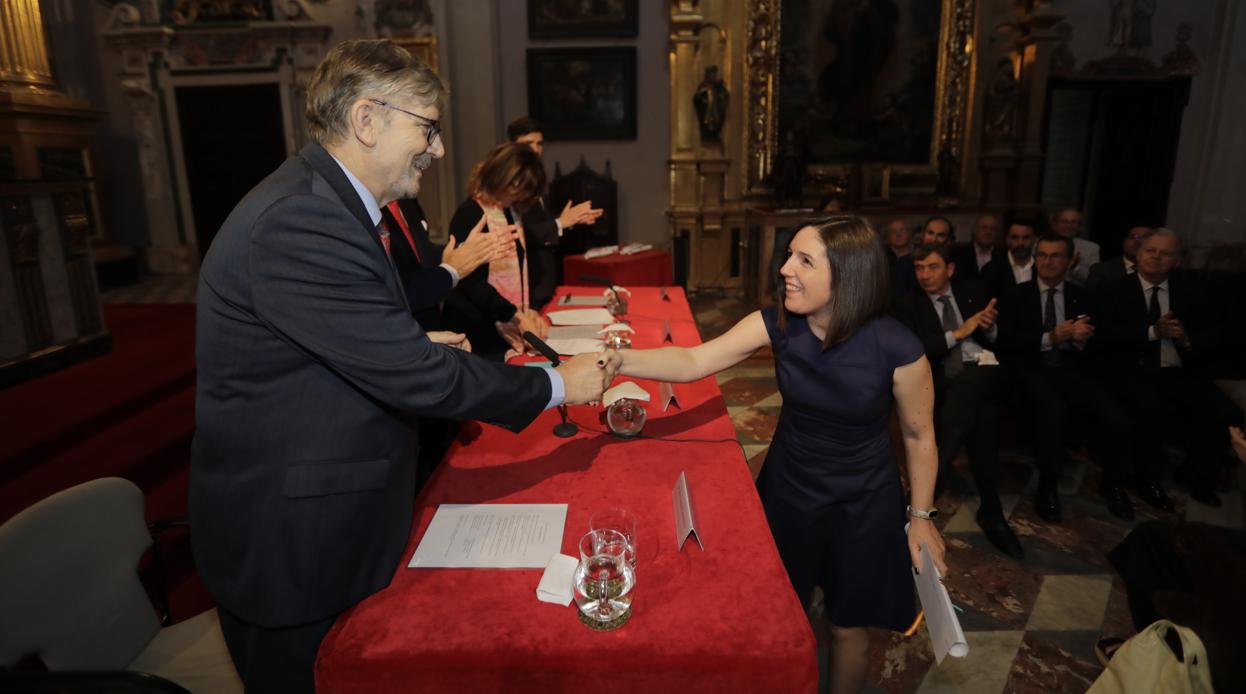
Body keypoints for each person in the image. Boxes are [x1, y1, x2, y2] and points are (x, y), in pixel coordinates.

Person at [191, 40, 612, 692]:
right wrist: (561, 383)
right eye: (427, 127)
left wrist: (409, 347)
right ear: (367, 120)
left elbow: (351, 340)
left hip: (333, 512)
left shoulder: (327, 206)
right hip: (294, 541)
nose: (438, 149)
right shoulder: (301, 220)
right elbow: (413, 374)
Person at [603, 215, 945, 694]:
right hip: (790, 489)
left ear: (847, 274)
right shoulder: (778, 324)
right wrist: (615, 361)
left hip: (863, 501)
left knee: (849, 626)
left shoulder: (898, 347)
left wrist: (923, 516)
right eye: (789, 255)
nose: (786, 268)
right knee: (779, 610)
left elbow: (918, 436)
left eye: (804, 260)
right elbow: (694, 360)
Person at [995, 234, 1168, 523]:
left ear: (1071, 260)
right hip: (1031, 370)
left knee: (1116, 416)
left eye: (1056, 256)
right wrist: (1052, 337)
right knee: (1052, 410)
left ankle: (1113, 485)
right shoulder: (1016, 294)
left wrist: (1082, 339)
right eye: (1043, 256)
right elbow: (1007, 343)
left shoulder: (1083, 296)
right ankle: (1047, 488)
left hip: (1073, 370)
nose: (1048, 262)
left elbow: (1102, 343)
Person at [1096, 228, 1242, 507]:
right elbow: (1105, 337)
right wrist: (1153, 332)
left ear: (1177, 260)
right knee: (1150, 407)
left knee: (1226, 411)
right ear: (1138, 254)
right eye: (1151, 250)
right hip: (1130, 369)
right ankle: (1144, 479)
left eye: (1166, 253)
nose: (1156, 257)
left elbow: (1215, 335)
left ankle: (1196, 477)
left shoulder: (1193, 291)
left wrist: (1186, 338)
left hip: (1175, 370)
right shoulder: (1113, 289)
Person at [894, 243, 1020, 558]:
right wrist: (959, 333)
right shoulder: (907, 305)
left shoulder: (975, 292)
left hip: (989, 373)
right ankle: (991, 510)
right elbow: (915, 349)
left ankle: (930, 481)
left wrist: (988, 330)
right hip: (947, 380)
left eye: (932, 267)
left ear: (949, 269)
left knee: (974, 382)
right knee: (982, 417)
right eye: (919, 269)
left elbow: (1004, 340)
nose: (924, 275)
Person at [442, 142, 554, 359]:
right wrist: (514, 315)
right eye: (515, 186)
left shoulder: (511, 212)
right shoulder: (470, 213)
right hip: (474, 331)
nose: (519, 195)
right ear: (498, 175)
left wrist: (526, 310)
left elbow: (522, 268)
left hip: (500, 323)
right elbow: (470, 281)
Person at [506, 117, 602, 303]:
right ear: (511, 145)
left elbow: (540, 223)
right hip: (526, 282)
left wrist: (570, 220)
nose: (535, 149)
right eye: (528, 143)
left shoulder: (535, 178)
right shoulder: (510, 183)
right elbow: (518, 232)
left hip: (545, 279)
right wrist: (560, 223)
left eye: (539, 143)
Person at [981, 213, 1038, 300]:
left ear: (1034, 240)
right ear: (1007, 239)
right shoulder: (991, 270)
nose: (1020, 243)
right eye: (1015, 237)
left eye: (1026, 238)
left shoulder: (1042, 267)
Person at [1086, 225, 1145, 294]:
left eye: (1144, 238)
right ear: (1124, 241)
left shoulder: (1157, 273)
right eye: (1133, 237)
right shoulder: (1101, 270)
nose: (1138, 242)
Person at [1051, 207, 1100, 285]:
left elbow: (1094, 280)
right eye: (1064, 221)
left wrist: (1075, 267)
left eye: (1073, 222)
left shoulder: (1091, 248)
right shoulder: (1041, 244)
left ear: (1079, 227)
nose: (1069, 225)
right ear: (1055, 224)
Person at [951, 213, 1004, 280]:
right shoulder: (959, 254)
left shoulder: (1003, 255)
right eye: (984, 228)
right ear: (975, 230)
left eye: (992, 229)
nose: (988, 232)